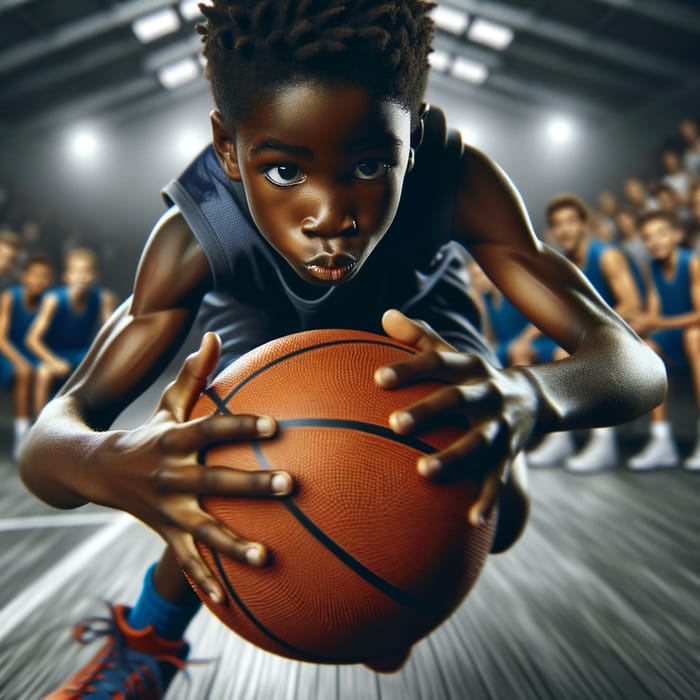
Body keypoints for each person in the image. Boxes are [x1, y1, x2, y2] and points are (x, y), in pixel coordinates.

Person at [18, 2, 664, 697]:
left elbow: (635, 365)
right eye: (286, 173)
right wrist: (108, 463)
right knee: (214, 467)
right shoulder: (192, 234)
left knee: (498, 514)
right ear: (229, 148)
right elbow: (45, 450)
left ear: (411, 138)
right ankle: (149, 638)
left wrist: (529, 396)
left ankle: (377, 604)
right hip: (264, 333)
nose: (331, 214)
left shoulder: (456, 177)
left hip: (417, 322)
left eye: (367, 163)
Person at [525, 194, 643, 472]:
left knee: (566, 351)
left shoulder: (607, 255)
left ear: (584, 225)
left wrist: (589, 330)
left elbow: (631, 304)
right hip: (589, 335)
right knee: (538, 351)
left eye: (570, 222)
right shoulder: (566, 264)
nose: (564, 229)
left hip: (622, 331)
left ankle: (604, 441)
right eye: (557, 224)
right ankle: (560, 438)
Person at [627, 211, 700, 471]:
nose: (654, 241)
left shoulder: (692, 263)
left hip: (694, 335)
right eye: (647, 237)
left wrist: (656, 323)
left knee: (695, 336)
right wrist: (638, 322)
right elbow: (655, 314)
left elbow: (699, 315)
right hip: (673, 337)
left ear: (676, 235)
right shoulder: (652, 267)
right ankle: (661, 440)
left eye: (661, 233)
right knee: (644, 348)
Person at [25, 247, 116, 413]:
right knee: (44, 372)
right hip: (55, 352)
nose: (81, 277)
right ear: (66, 276)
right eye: (76, 272)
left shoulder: (103, 298)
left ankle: (93, 425)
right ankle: (39, 429)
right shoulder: (53, 300)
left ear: (95, 276)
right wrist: (53, 361)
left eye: (86, 272)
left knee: (104, 373)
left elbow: (111, 334)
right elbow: (32, 339)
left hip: (81, 353)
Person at [0, 254, 53, 460]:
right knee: (24, 372)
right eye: (35, 275)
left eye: (44, 276)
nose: (39, 281)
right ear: (24, 277)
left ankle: (40, 435)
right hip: (7, 353)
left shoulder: (48, 302)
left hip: (31, 354)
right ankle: (21, 436)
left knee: (44, 372)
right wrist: (18, 361)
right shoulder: (10, 297)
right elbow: (1, 338)